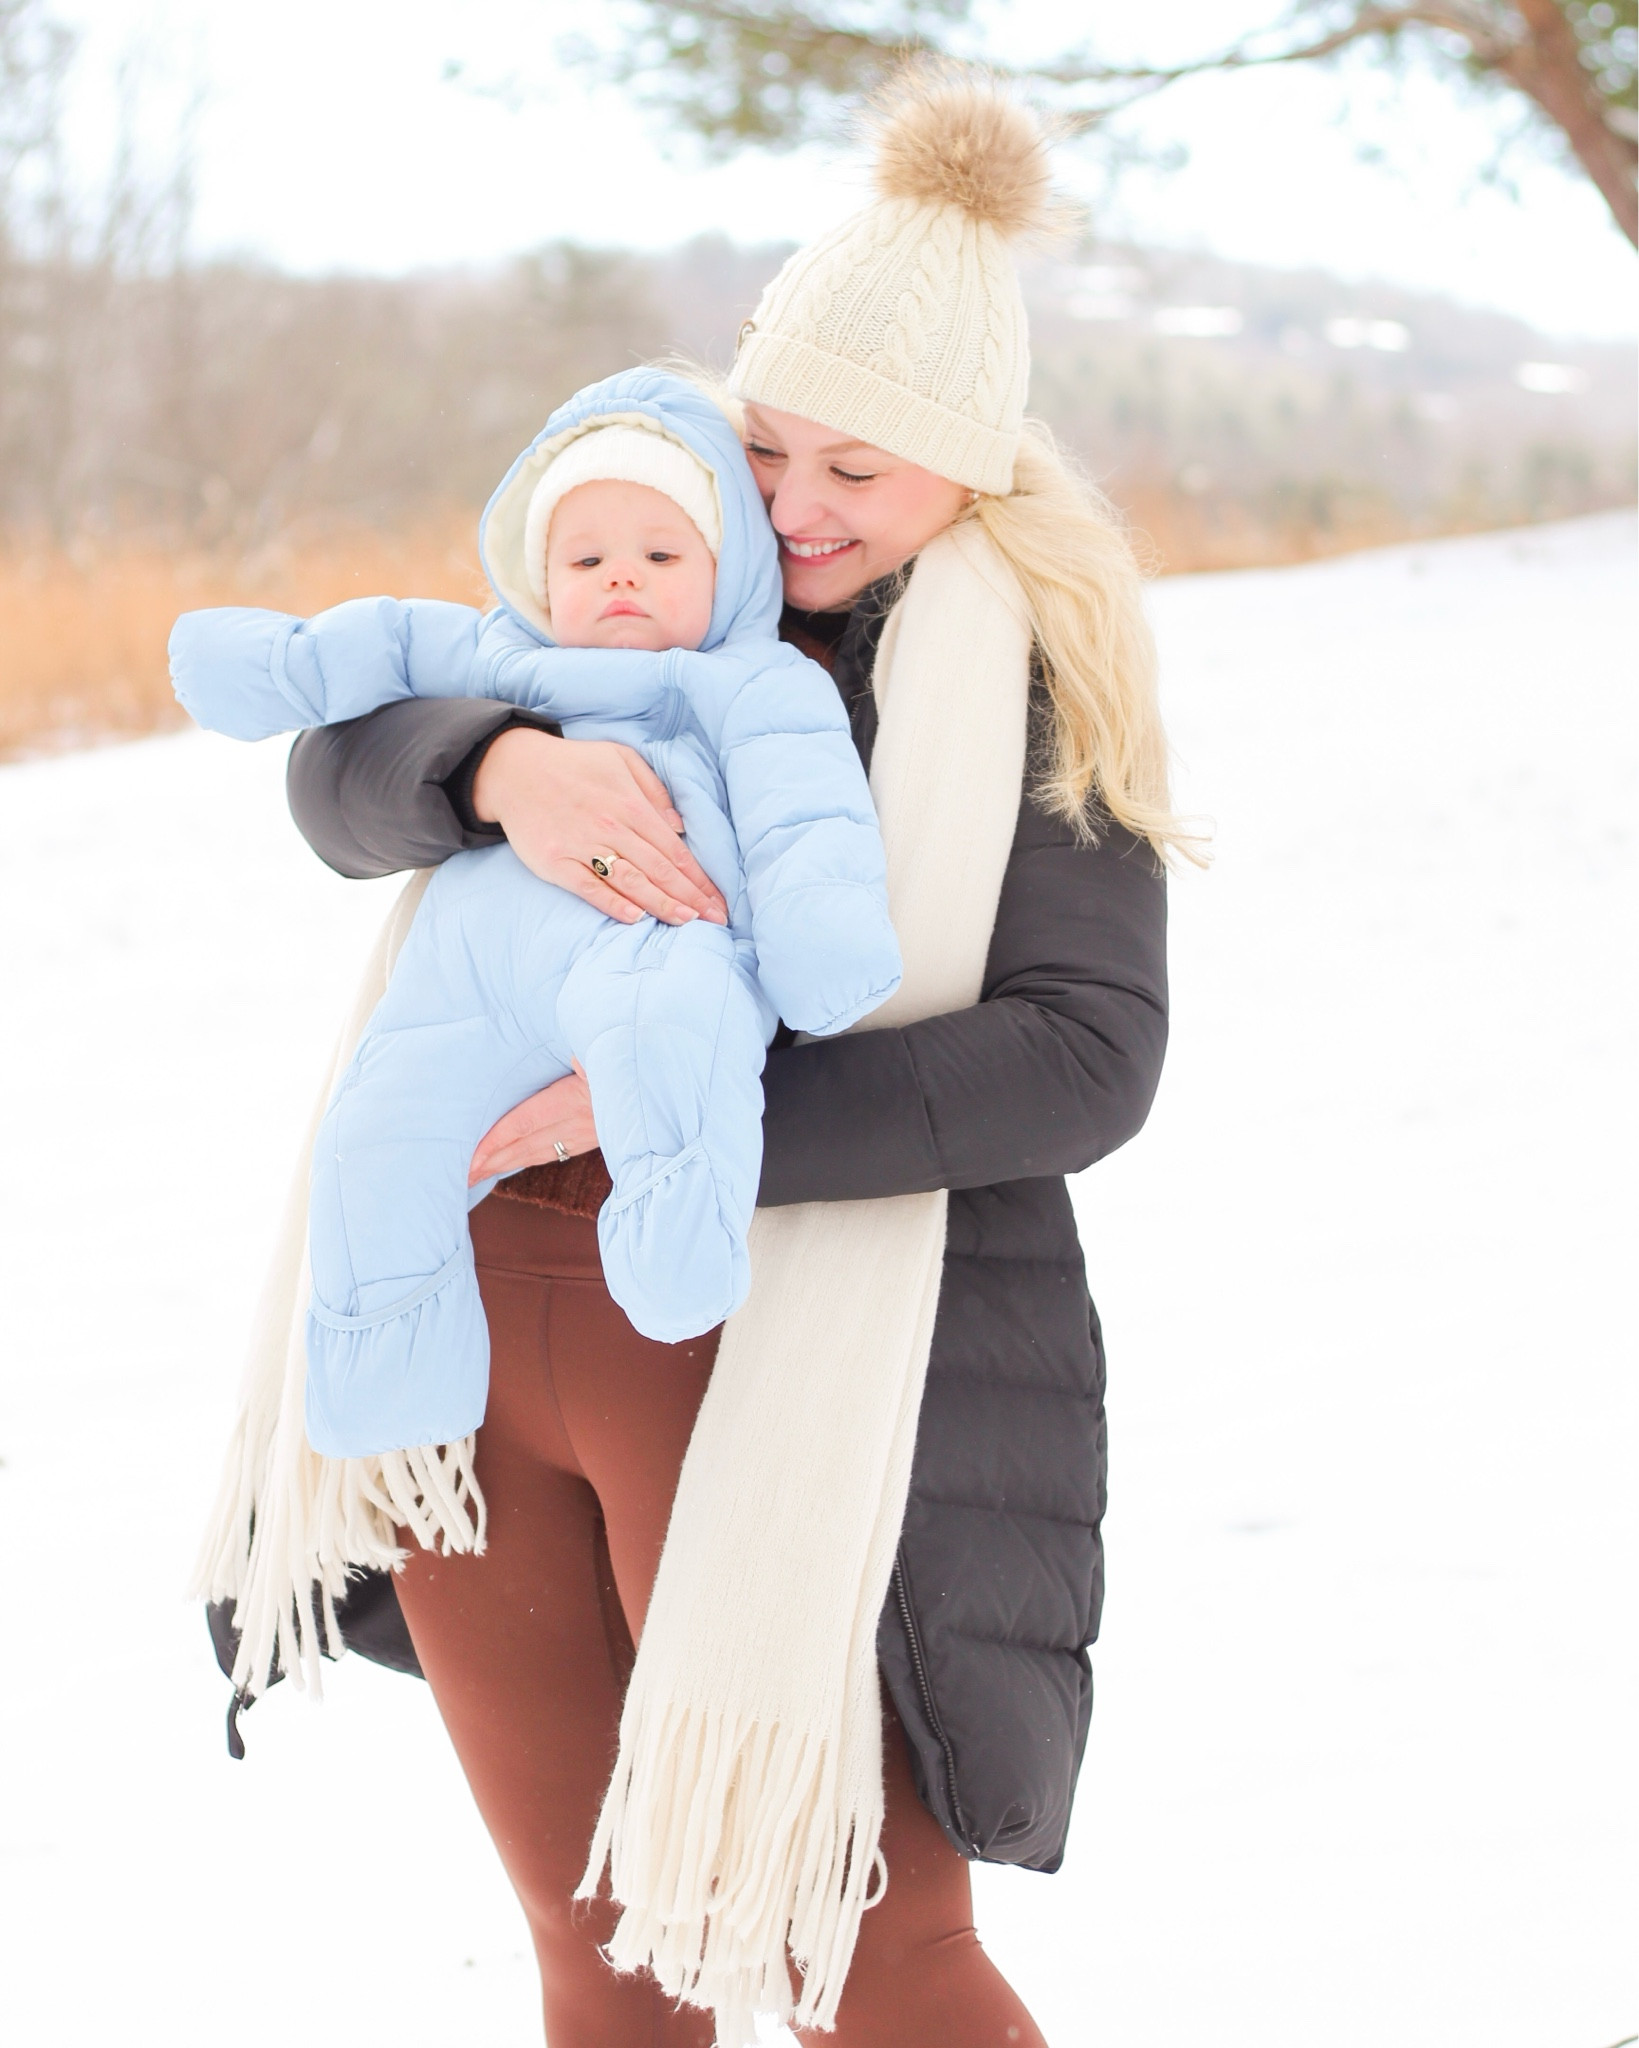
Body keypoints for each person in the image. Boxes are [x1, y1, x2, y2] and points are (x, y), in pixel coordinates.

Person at [265, 69, 1181, 2046]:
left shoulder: (1017, 688)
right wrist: (496, 769)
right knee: (596, 1946)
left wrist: (693, 1109)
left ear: (968, 470)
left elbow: (1087, 1055)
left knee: (856, 1951)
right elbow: (341, 764)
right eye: (767, 442)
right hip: (476, 1352)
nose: (792, 503)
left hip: (771, 1357)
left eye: (860, 466)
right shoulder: (646, 564)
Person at [169, 374, 900, 1456]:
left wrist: (821, 941)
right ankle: (388, 1381)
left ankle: (676, 1249)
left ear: (731, 567)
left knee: (676, 1038)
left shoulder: (753, 683)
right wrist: (265, 666)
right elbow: (366, 649)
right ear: (536, 573)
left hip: (653, 944)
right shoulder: (498, 657)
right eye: (586, 559)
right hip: (468, 979)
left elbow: (807, 813)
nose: (621, 579)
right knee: (376, 1130)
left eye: (662, 555)